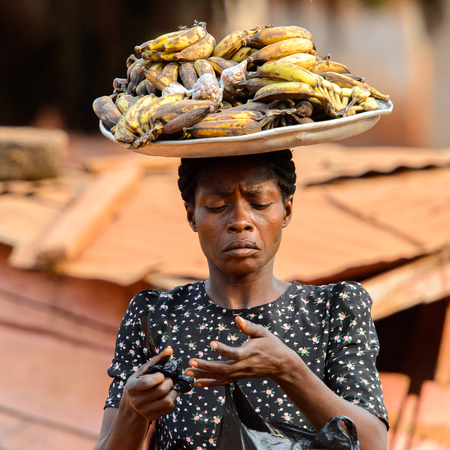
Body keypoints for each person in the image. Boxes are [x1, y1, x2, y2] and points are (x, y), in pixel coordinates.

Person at [94, 149, 389, 450]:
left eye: (259, 204)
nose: (240, 221)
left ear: (286, 211)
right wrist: (131, 411)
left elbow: (373, 444)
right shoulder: (155, 315)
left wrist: (288, 370)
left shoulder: (333, 309)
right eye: (216, 205)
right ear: (191, 215)